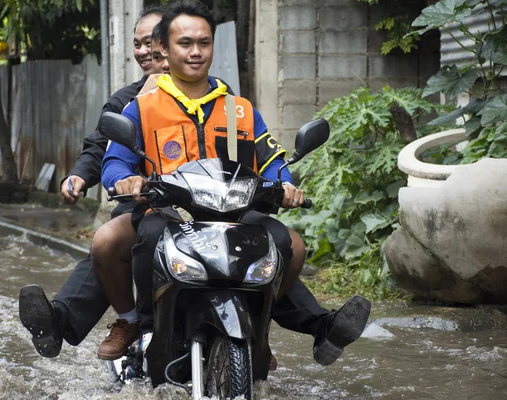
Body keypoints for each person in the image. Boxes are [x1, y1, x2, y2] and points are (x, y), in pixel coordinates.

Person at [95, 1, 371, 367]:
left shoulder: (238, 108)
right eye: (185, 43)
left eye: (204, 43)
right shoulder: (142, 107)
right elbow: (114, 161)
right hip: (168, 214)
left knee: (292, 245)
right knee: (128, 241)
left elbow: (272, 159)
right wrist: (126, 179)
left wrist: (284, 185)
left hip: (234, 216)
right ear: (163, 47)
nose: (196, 52)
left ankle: (257, 328)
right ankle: (142, 324)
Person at [18, 7, 168, 358]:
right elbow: (101, 146)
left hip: (207, 205)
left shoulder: (214, 96)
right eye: (138, 44)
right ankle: (64, 320)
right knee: (109, 243)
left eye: (152, 43)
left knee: (266, 242)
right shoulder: (124, 101)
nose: (144, 51)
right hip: (145, 203)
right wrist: (80, 176)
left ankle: (272, 331)